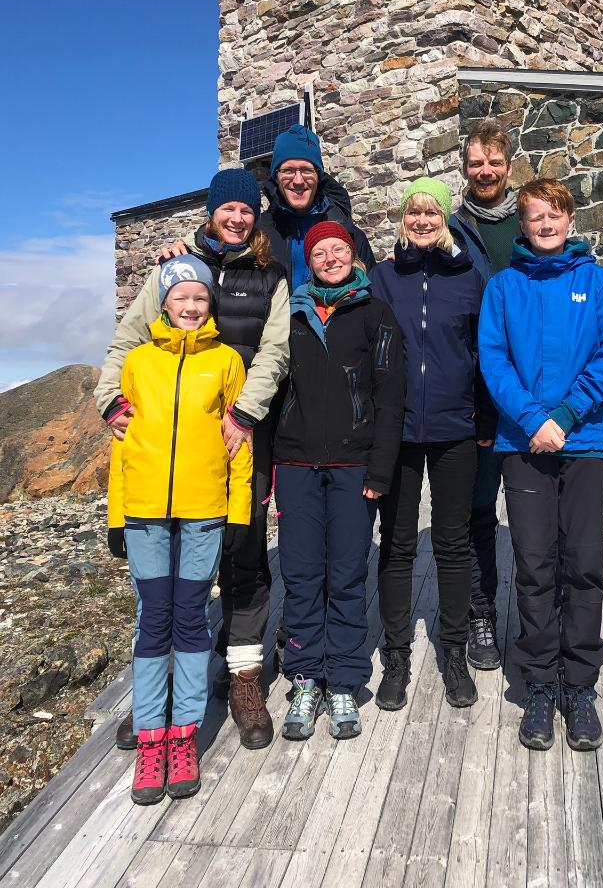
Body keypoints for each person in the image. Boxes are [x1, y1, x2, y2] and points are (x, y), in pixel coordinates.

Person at [96, 168, 289, 751]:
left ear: (256, 216)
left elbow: (275, 350)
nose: (237, 218)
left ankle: (243, 676)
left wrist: (244, 414)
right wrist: (109, 399)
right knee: (168, 577)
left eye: (247, 210)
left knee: (245, 555)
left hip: (240, 437)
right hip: (165, 451)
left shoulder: (270, 273)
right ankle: (159, 696)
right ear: (211, 212)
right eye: (228, 208)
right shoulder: (172, 267)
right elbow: (128, 340)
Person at [478, 178, 603, 753]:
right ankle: (540, 682)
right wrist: (533, 419)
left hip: (584, 442)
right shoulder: (504, 287)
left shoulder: (596, 283)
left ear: (570, 221)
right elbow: (494, 361)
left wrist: (563, 416)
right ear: (522, 224)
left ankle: (580, 685)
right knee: (535, 565)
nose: (545, 225)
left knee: (583, 565)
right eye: (535, 216)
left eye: (555, 215)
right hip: (524, 446)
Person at [107, 255, 253, 804]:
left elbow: (240, 446)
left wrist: (238, 513)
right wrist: (116, 516)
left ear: (210, 304)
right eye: (180, 297)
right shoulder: (138, 362)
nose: (190, 306)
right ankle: (151, 739)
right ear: (163, 303)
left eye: (199, 298)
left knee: (190, 618)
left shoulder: (227, 360)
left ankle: (184, 735)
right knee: (152, 619)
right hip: (144, 512)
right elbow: (121, 445)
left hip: (203, 512)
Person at [273, 221, 405, 740]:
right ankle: (306, 677)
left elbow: (390, 396)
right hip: (296, 464)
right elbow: (272, 388)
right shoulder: (291, 314)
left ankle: (345, 679)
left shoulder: (376, 313)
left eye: (338, 249)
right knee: (302, 574)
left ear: (353, 255)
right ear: (308, 262)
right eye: (320, 252)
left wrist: (380, 467)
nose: (330, 258)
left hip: (354, 467)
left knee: (348, 574)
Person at [371, 177, 486, 712]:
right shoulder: (383, 277)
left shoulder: (468, 279)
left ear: (445, 220)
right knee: (397, 546)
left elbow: (483, 352)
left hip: (454, 426)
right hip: (395, 430)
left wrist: (484, 416)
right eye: (413, 212)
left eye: (432, 212)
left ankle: (454, 652)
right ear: (402, 219)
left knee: (452, 543)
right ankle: (396, 656)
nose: (422, 220)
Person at [449, 119, 519, 672]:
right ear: (465, 168)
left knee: (537, 509)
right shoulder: (451, 229)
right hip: (476, 390)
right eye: (476, 163)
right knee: (477, 509)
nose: (485, 171)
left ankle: (543, 618)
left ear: (509, 167)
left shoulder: (533, 222)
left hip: (531, 390)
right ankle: (481, 613)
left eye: (494, 162)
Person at [259, 124, 375, 290]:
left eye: (306, 170)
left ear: (318, 176)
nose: (298, 180)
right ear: (276, 177)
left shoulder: (350, 235)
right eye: (288, 170)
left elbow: (372, 296)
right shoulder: (259, 235)